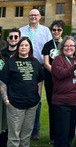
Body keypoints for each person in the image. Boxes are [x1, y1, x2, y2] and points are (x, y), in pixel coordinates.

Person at [0, 37, 44, 147]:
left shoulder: (35, 62)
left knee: (26, 132)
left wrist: (39, 96)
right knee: (14, 134)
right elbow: (2, 82)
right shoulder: (11, 63)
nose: (23, 47)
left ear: (30, 48)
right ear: (18, 47)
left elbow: (40, 80)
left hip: (31, 103)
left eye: (26, 45)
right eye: (21, 45)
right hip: (15, 103)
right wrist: (6, 99)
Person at [50, 36, 76, 147]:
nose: (69, 48)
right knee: (62, 133)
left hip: (74, 101)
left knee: (70, 133)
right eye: (66, 46)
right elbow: (60, 74)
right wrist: (74, 67)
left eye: (72, 46)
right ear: (62, 48)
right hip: (61, 102)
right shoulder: (58, 60)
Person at [19, 9, 52, 140]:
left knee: (38, 99)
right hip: (26, 66)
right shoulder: (22, 30)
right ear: (28, 17)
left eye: (35, 15)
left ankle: (35, 129)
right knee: (27, 97)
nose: (33, 17)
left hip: (42, 66)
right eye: (31, 15)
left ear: (40, 17)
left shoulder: (45, 30)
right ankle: (25, 128)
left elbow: (50, 48)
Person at [42, 20, 65, 143]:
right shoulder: (47, 45)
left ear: (62, 31)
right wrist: (56, 73)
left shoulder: (66, 44)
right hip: (51, 79)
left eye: (59, 30)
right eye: (54, 30)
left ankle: (63, 134)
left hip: (64, 80)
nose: (56, 32)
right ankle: (53, 136)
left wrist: (63, 74)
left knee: (63, 106)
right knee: (52, 105)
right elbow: (46, 63)